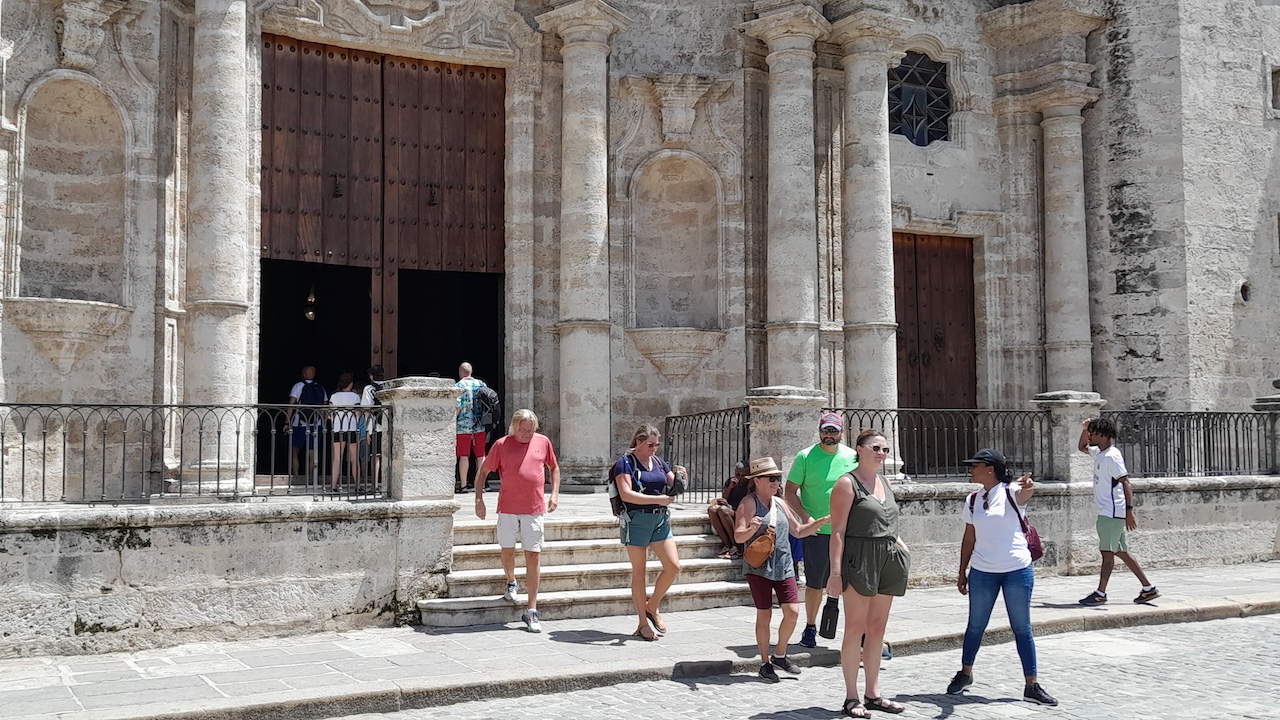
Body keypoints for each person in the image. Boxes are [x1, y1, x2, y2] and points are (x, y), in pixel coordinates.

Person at [946, 448, 1057, 707]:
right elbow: (969, 537)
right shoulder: (972, 499)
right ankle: (965, 674)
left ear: (990, 469)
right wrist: (962, 570)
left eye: (976, 465)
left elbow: (1024, 493)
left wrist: (1029, 486)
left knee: (1022, 627)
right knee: (975, 625)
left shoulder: (1010, 493)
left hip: (1016, 569)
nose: (970, 469)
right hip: (983, 571)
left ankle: (1032, 684)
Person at [826, 429, 910, 717]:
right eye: (876, 447)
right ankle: (851, 697)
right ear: (859, 450)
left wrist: (903, 549)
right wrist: (835, 573)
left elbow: (889, 522)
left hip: (887, 559)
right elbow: (837, 531)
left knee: (877, 630)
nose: (881, 453)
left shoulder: (884, 482)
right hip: (859, 558)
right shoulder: (847, 484)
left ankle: (872, 693)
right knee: (855, 628)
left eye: (885, 449)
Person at [734, 457, 828, 683]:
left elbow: (797, 531)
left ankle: (780, 654)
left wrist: (821, 522)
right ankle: (765, 662)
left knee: (793, 612)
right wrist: (752, 529)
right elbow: (738, 536)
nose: (777, 482)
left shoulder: (780, 503)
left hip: (784, 565)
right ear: (756, 480)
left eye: (778, 478)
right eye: (772, 478)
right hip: (759, 568)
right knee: (764, 614)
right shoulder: (748, 503)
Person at [475, 409, 560, 633]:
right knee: (508, 552)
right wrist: (478, 500)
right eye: (523, 430)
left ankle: (532, 609)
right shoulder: (502, 445)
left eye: (531, 430)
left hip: (534, 509)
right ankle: (511, 580)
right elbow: (483, 471)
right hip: (508, 509)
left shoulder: (543, 442)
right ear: (513, 427)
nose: (527, 434)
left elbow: (553, 467)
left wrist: (554, 493)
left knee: (533, 554)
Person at [786, 411, 858, 648]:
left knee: (850, 585)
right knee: (815, 583)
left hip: (847, 531)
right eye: (825, 431)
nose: (829, 435)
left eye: (833, 431)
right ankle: (810, 627)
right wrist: (806, 518)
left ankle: (857, 632)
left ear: (842, 433)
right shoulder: (805, 457)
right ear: (819, 431)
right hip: (817, 533)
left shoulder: (852, 456)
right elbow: (789, 491)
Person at [611, 424, 686, 641]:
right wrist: (658, 499)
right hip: (636, 520)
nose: (654, 448)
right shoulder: (625, 463)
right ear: (639, 442)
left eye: (657, 445)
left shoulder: (659, 462)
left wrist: (681, 477)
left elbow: (673, 484)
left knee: (673, 566)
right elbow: (626, 494)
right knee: (639, 573)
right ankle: (643, 623)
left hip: (660, 519)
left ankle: (652, 606)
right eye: (650, 444)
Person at [1077, 417, 1160, 606]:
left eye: (1092, 433)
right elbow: (1081, 447)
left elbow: (1126, 483)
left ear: (1103, 435)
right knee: (1122, 552)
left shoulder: (1112, 456)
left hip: (1112, 513)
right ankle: (1148, 588)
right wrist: (1084, 428)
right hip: (1109, 512)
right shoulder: (1099, 452)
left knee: (1107, 554)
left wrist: (1129, 511)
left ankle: (1100, 593)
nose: (1089, 436)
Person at [288, 365, 328, 479]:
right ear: (314, 374)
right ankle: (311, 476)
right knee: (312, 451)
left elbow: (291, 404)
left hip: (298, 422)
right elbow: (325, 407)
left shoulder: (298, 386)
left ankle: (295, 476)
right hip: (316, 423)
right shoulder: (320, 388)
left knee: (294, 449)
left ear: (304, 374)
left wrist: (286, 422)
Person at [454, 362, 488, 493]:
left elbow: (457, 407)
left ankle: (463, 486)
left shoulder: (458, 386)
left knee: (464, 456)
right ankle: (481, 484)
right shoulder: (481, 384)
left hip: (463, 427)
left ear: (460, 372)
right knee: (480, 456)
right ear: (471, 371)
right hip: (480, 426)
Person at [707, 462, 750, 558]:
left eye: (743, 475)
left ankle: (737, 546)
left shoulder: (750, 485)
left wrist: (729, 507)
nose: (740, 477)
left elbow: (746, 505)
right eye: (738, 474)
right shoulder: (730, 482)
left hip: (741, 513)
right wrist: (729, 488)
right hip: (730, 509)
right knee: (712, 510)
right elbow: (725, 497)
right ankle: (727, 545)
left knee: (723, 510)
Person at [328, 373, 361, 492]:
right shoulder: (355, 397)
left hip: (338, 428)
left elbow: (330, 415)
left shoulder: (334, 396)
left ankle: (333, 486)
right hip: (351, 428)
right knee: (354, 459)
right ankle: (357, 486)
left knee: (337, 458)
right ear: (351, 383)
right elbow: (357, 413)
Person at [359, 364, 386, 486]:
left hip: (375, 427)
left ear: (371, 376)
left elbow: (366, 411)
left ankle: (375, 485)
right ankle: (386, 484)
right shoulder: (388, 387)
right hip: (388, 426)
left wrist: (367, 430)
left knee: (375, 457)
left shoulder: (369, 389)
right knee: (387, 456)